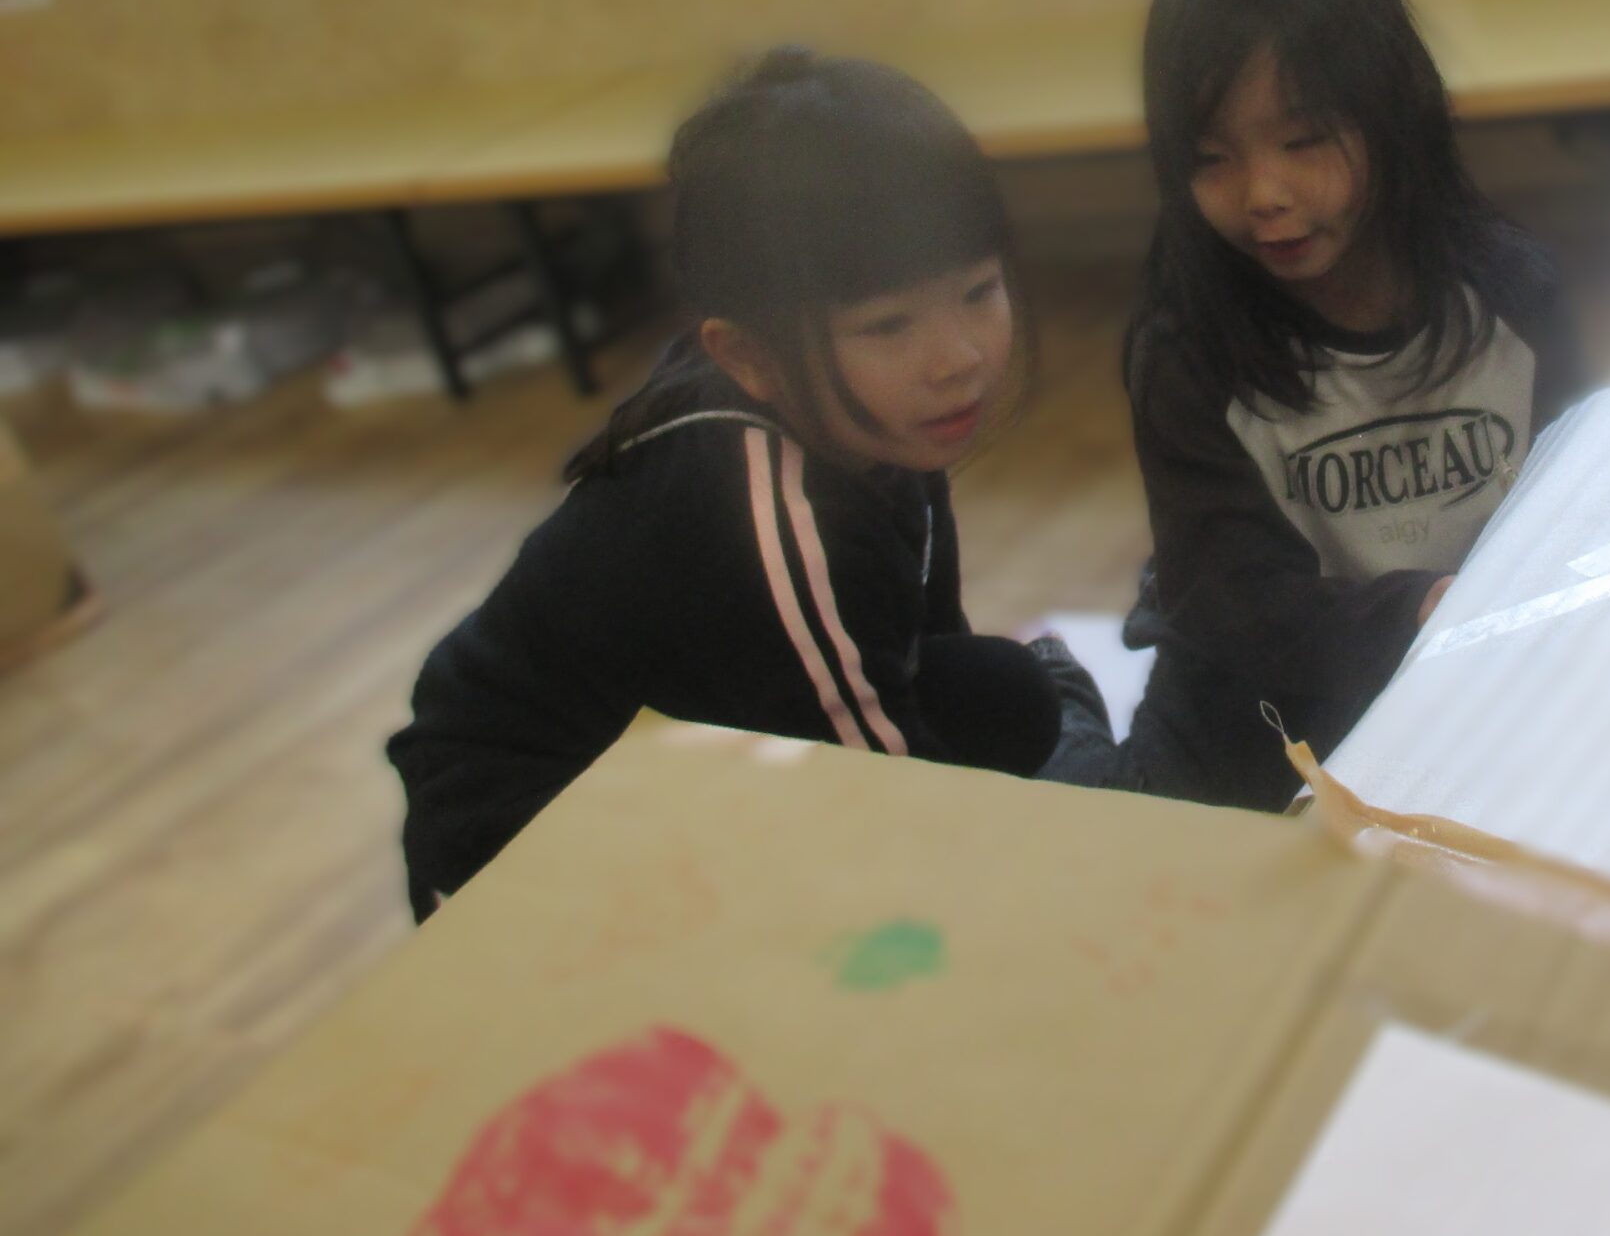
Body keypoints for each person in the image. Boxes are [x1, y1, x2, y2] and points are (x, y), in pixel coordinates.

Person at [388, 50, 1101, 918]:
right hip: (524, 836)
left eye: (979, 291)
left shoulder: (868, 415)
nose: (958, 357)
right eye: (887, 325)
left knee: (1004, 695)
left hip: (690, 742)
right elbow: (889, 803)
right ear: (746, 354)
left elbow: (919, 645)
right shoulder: (774, 512)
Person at [1072, 0, 1584, 810]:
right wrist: (1416, 611)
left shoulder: (1514, 298)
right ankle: (1064, 713)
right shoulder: (1189, 352)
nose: (1263, 194)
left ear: (1393, 114)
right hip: (1256, 719)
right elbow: (1229, 601)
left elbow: (1581, 508)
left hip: (1458, 696)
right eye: (1211, 158)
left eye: (1303, 141)